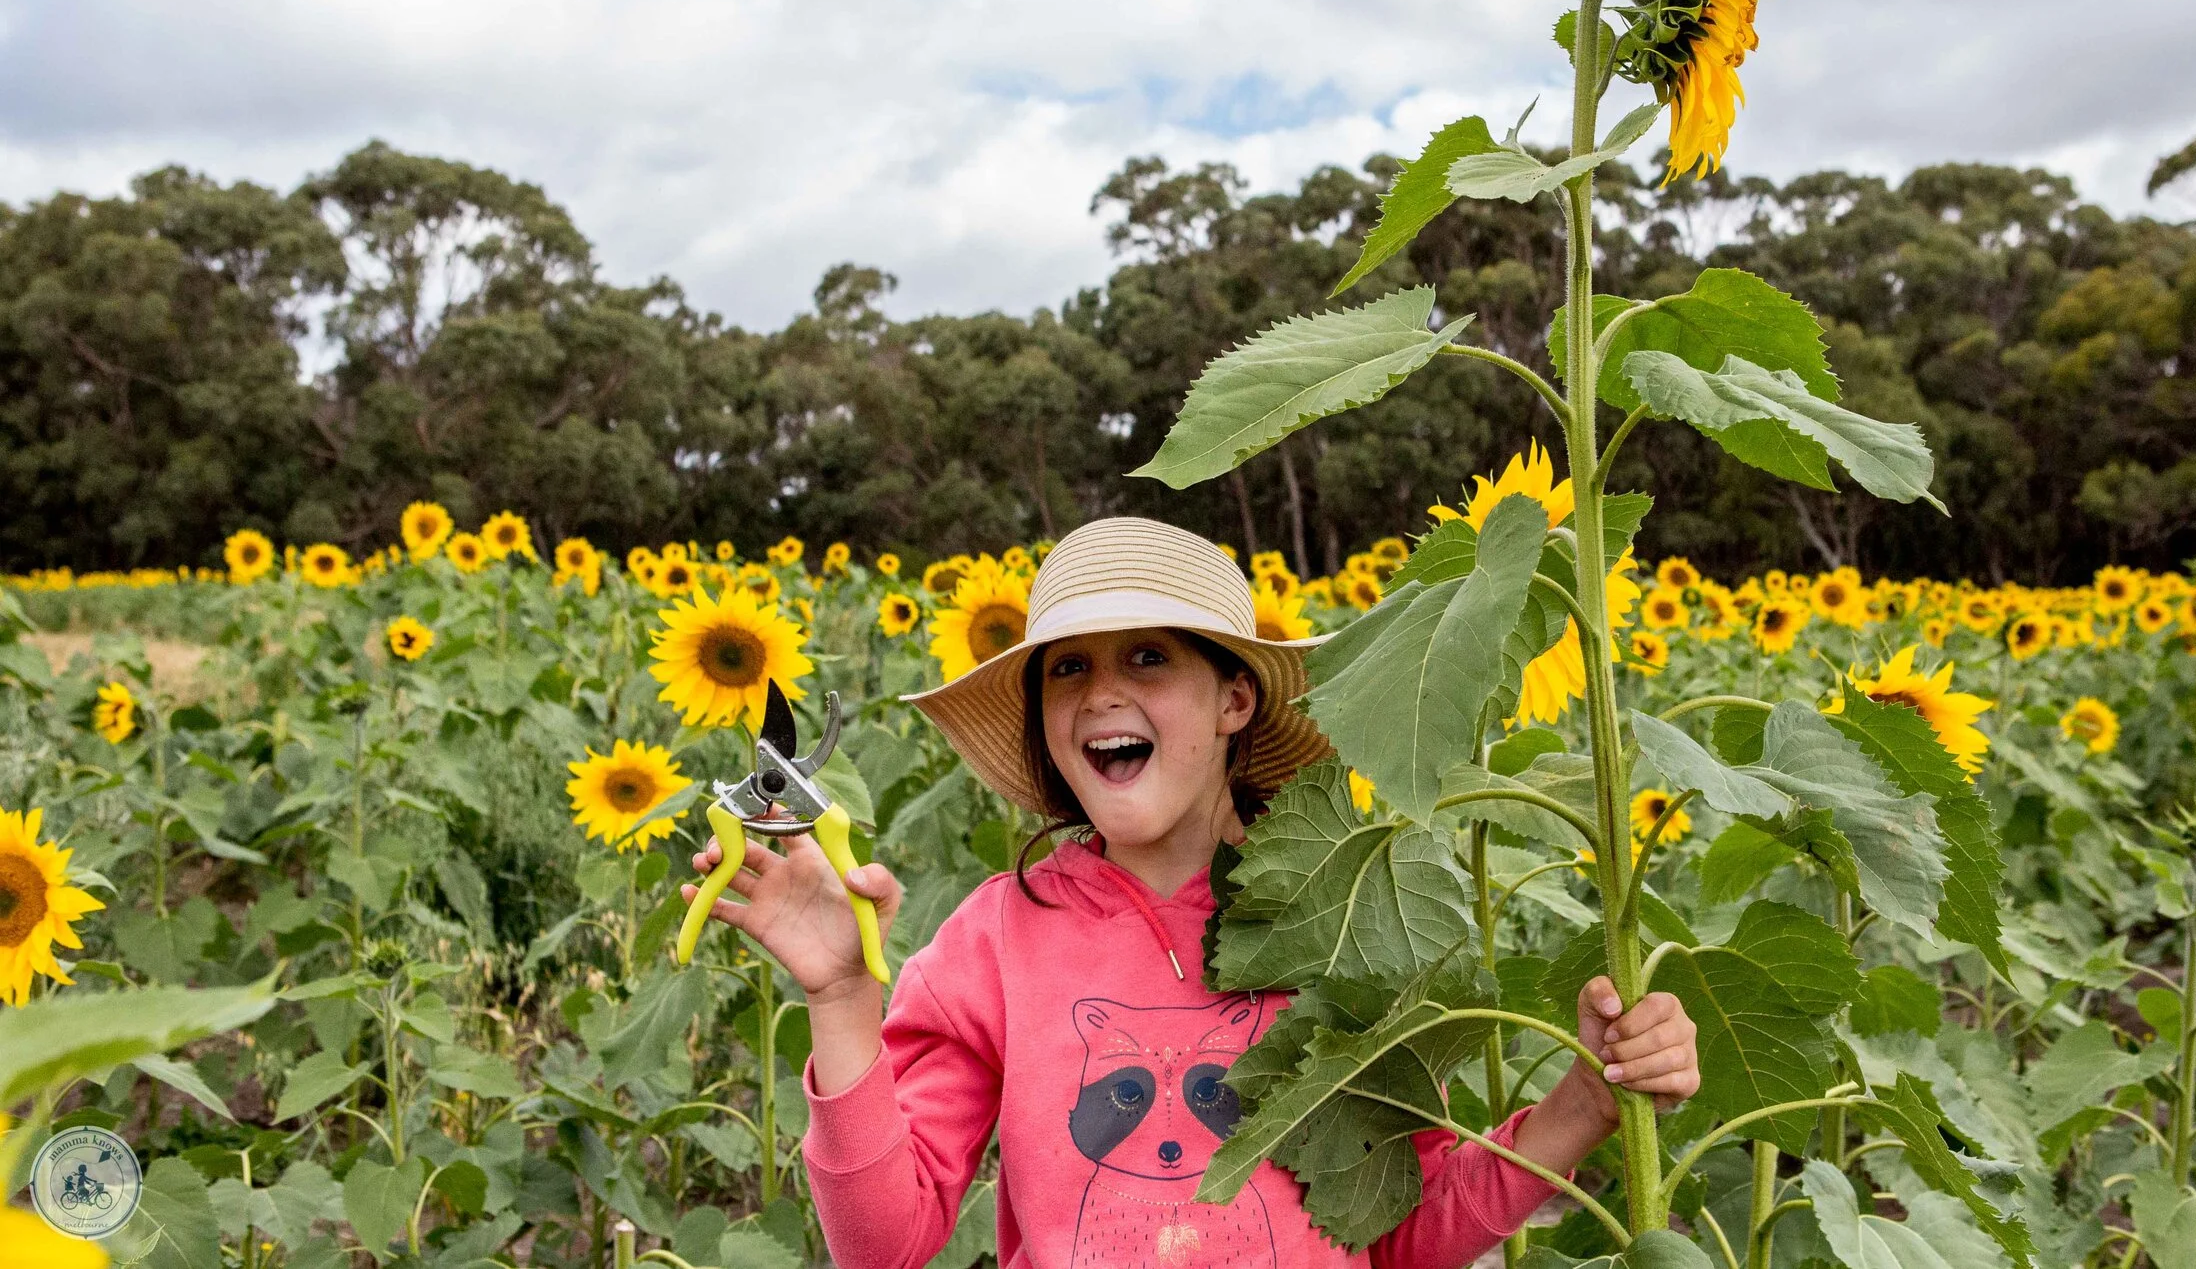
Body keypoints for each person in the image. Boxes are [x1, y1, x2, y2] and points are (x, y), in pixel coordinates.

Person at [683, 517, 1701, 1269]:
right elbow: (885, 1244)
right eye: (1066, 667)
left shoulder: (1339, 916)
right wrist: (841, 999)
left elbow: (1396, 1230)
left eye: (1146, 657)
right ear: (1043, 722)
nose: (1099, 691)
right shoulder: (997, 936)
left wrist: (1581, 1099)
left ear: (1234, 698)